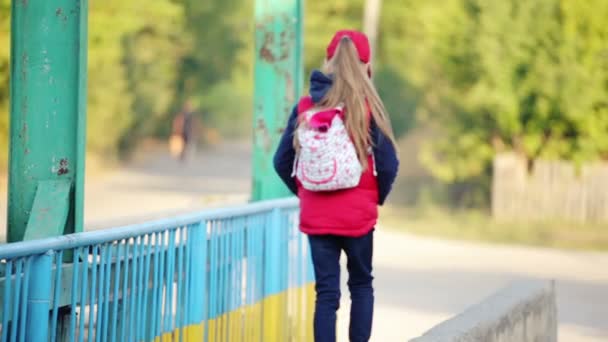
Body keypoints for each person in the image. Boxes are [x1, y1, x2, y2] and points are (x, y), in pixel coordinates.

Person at [273, 30, 399, 342]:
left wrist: (307, 192)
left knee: (326, 294)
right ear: (365, 66)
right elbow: (388, 164)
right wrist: (375, 197)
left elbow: (281, 161)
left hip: (317, 218)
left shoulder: (305, 107)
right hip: (358, 218)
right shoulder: (367, 107)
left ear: (328, 61)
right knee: (360, 285)